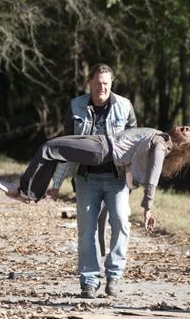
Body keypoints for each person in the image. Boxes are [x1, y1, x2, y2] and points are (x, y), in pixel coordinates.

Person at [0, 126, 190, 292]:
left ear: (183, 146)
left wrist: (147, 207)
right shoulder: (159, 136)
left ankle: (27, 191)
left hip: (103, 151)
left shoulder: (162, 143)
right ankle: (30, 192)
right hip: (100, 146)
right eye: (188, 127)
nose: (186, 128)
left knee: (50, 147)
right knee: (52, 150)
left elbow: (153, 176)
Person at [47, 63, 137, 299]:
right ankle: (89, 280)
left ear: (111, 84)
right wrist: (56, 184)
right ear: (90, 83)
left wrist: (134, 181)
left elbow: (137, 145)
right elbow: (67, 147)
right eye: (97, 83)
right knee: (86, 231)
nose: (102, 88)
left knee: (121, 224)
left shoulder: (125, 107)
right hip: (86, 178)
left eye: (106, 84)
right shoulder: (76, 105)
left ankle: (114, 276)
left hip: (116, 179)